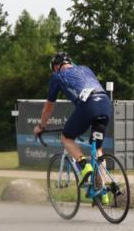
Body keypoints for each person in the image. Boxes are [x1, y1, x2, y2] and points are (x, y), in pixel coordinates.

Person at [34, 53, 112, 197]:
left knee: (66, 137)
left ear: (56, 67)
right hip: (105, 103)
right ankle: (102, 191)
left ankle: (84, 165)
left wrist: (41, 126)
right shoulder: (86, 69)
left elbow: (48, 108)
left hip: (88, 105)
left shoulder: (57, 77)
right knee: (98, 148)